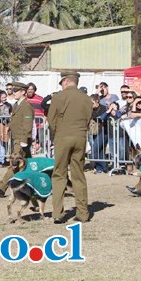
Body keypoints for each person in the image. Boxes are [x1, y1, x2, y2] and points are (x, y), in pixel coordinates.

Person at [47, 71, 92, 224]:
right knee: (78, 175)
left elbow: (51, 119)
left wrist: (59, 132)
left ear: (65, 81)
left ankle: (58, 213)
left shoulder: (58, 97)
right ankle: (83, 213)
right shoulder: (86, 98)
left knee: (59, 174)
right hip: (80, 137)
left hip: (63, 136)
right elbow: (88, 119)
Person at [0, 82, 34, 198]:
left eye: (16, 91)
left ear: (23, 92)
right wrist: (8, 126)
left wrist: (24, 140)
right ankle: (37, 185)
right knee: (29, 165)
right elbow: (15, 120)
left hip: (21, 139)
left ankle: (1, 187)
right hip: (16, 138)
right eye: (12, 91)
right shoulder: (16, 105)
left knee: (14, 163)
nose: (13, 93)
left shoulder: (26, 106)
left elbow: (28, 125)